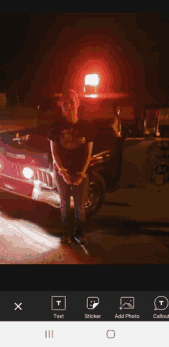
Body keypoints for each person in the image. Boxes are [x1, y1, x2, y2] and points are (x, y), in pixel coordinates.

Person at [49, 89, 95, 246]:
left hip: (81, 173)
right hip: (62, 172)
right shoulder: (55, 127)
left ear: (78, 103)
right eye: (65, 103)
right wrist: (63, 172)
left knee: (80, 207)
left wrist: (81, 173)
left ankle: (80, 234)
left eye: (72, 101)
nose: (69, 105)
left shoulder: (86, 125)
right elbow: (54, 152)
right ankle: (67, 233)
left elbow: (89, 152)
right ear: (61, 106)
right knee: (64, 205)